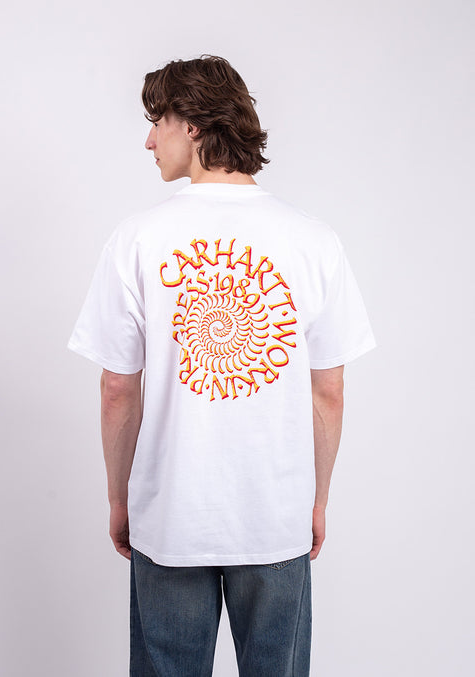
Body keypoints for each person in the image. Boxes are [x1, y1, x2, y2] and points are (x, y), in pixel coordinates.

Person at [68, 54, 376, 677]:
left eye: (158, 121)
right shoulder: (313, 240)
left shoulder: (138, 239)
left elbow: (117, 389)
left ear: (193, 125)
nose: (148, 140)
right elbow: (329, 391)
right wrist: (315, 499)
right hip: (276, 516)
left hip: (169, 517)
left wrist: (119, 498)